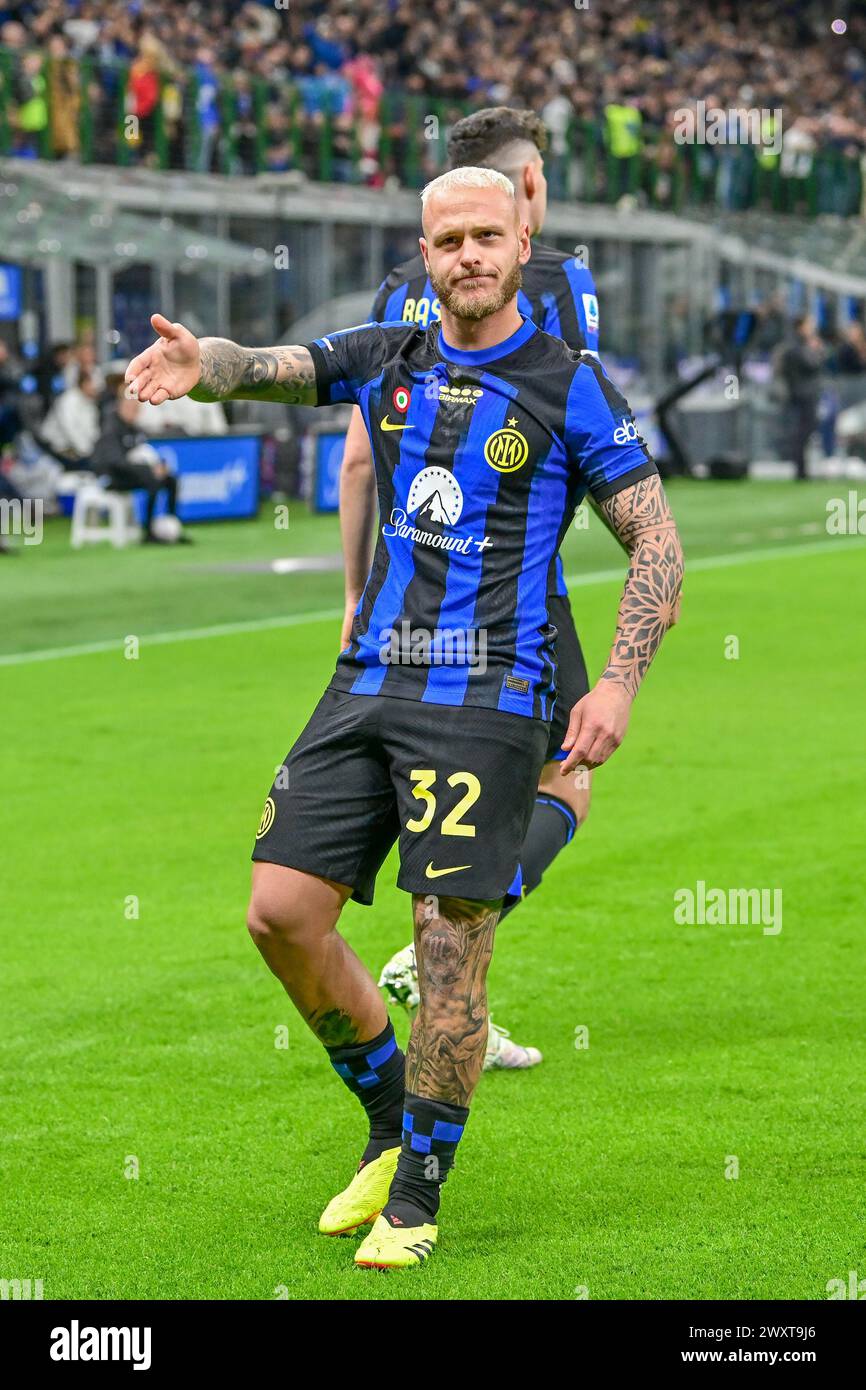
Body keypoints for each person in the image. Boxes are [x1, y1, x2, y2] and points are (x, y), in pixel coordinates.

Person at [124, 167, 684, 1271]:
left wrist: (614, 681)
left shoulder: (568, 382)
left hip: (488, 693)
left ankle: (418, 1195)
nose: (465, 254)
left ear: (521, 240)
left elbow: (656, 546)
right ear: (423, 254)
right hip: (369, 679)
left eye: (484, 235)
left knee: (447, 944)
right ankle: (388, 1122)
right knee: (279, 912)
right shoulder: (394, 352)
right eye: (445, 240)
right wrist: (209, 369)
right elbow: (282, 368)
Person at [351, 106, 603, 1069]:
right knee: (563, 778)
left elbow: (355, 463)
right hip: (520, 596)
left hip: (401, 592)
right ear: (528, 186)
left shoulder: (398, 289)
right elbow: (584, 427)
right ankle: (442, 966)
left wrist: (355, 590)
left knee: (440, 788)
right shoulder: (549, 276)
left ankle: (447, 971)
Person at [90, 385, 188, 543]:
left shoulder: (134, 429)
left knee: (170, 480)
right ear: (121, 405)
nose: (134, 412)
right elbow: (116, 463)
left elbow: (144, 454)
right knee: (152, 480)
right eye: (131, 407)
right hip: (111, 477)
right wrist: (149, 470)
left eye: (137, 408)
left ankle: (172, 528)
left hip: (134, 474)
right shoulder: (111, 429)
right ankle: (149, 532)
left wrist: (158, 467)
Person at [774, 314, 825, 479]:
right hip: (803, 393)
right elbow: (812, 364)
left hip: (801, 392)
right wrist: (816, 350)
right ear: (801, 327)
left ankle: (801, 469)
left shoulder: (794, 345)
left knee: (803, 430)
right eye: (809, 324)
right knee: (803, 431)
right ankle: (800, 469)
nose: (811, 328)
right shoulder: (797, 346)